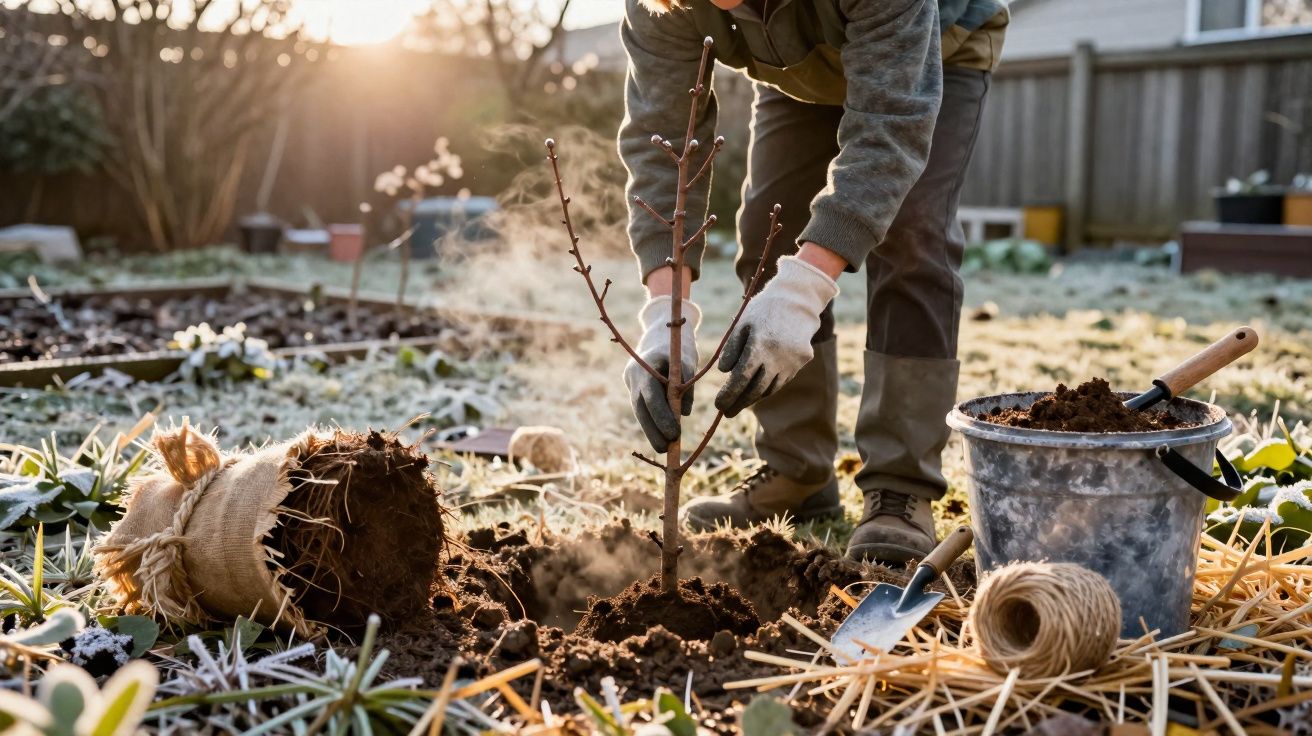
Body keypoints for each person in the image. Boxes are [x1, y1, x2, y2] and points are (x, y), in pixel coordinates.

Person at [619, 0, 1008, 563]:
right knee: (767, 232)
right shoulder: (660, 4)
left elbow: (889, 132)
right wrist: (664, 314)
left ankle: (900, 485)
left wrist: (805, 290)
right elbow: (663, 144)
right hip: (799, 77)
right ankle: (795, 471)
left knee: (911, 237)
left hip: (937, 47)